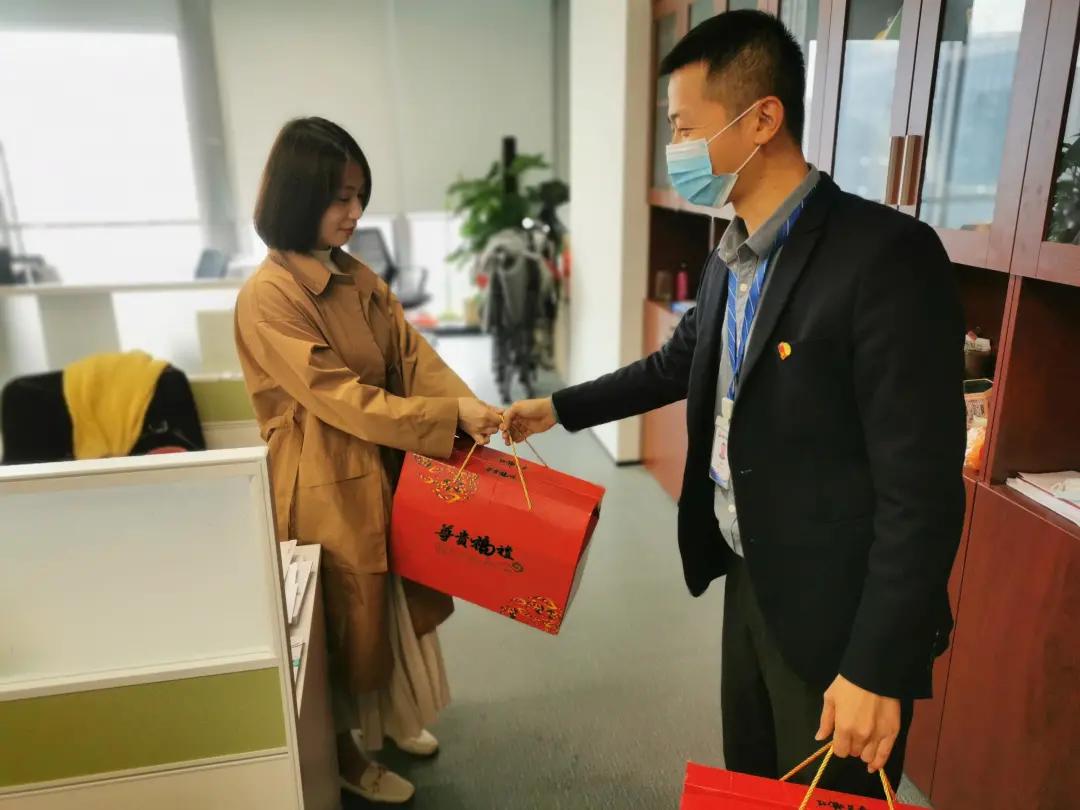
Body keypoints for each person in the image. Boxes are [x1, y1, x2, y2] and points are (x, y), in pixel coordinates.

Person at [501, 11, 965, 800]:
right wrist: (557, 408)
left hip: (838, 606)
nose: (676, 149)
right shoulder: (733, 253)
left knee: (826, 793)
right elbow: (678, 363)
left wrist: (876, 666)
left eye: (685, 128)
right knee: (753, 779)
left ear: (762, 119)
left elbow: (920, 490)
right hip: (750, 572)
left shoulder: (884, 256)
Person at [234, 117, 503, 804]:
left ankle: (392, 718)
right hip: (322, 481)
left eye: (360, 195)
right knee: (345, 626)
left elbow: (412, 356)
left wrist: (469, 406)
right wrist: (446, 419)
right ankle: (346, 758)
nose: (355, 213)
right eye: (340, 198)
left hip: (384, 459)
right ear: (299, 195)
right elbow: (337, 397)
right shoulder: (270, 295)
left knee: (390, 607)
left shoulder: (352, 272)